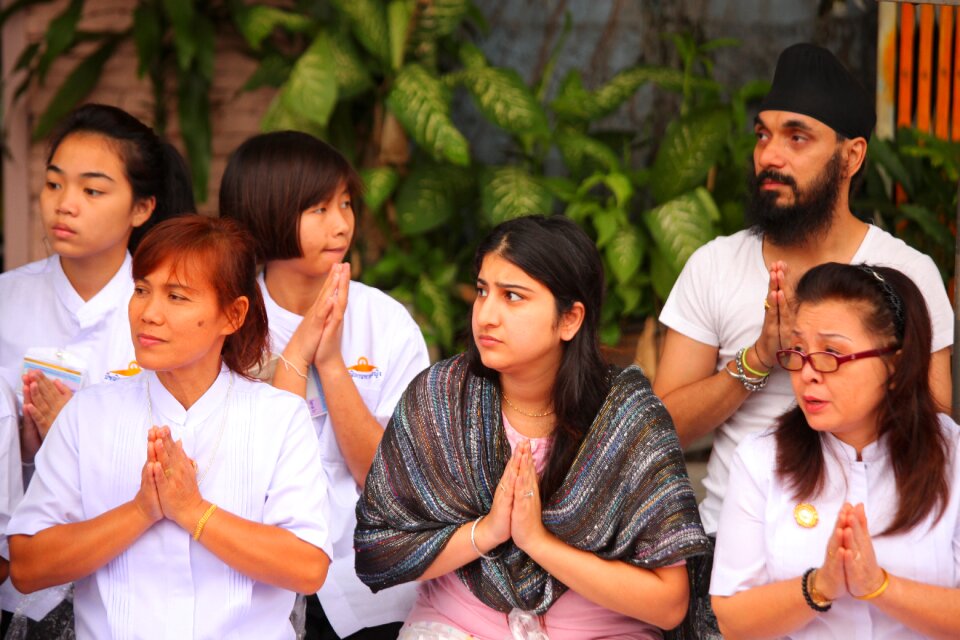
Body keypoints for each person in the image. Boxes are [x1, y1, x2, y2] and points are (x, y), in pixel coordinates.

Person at [355, 215, 711, 640]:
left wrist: (538, 541)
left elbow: (670, 605)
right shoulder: (440, 398)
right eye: (483, 290)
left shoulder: (627, 417)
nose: (486, 314)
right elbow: (381, 551)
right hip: (457, 626)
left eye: (513, 296)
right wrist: (486, 532)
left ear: (569, 320)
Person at [653, 43, 953, 541]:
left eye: (797, 138)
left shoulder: (908, 273)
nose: (769, 156)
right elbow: (661, 432)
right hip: (730, 546)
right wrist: (758, 357)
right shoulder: (714, 265)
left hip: (869, 542)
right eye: (763, 135)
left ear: (851, 155)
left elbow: (935, 434)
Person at [6, 215, 332, 638]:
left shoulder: (279, 418)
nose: (149, 313)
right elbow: (27, 566)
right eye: (141, 290)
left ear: (232, 315)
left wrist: (194, 512)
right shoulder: (87, 416)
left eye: (176, 296)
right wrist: (142, 510)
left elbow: (308, 567)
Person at [219, 131, 430, 640]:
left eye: (346, 203)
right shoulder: (225, 319)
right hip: (250, 581)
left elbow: (395, 483)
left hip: (369, 589)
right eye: (318, 208)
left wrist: (332, 365)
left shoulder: (385, 321)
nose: (341, 224)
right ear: (263, 211)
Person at [0, 102, 195, 628]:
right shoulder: (7, 301)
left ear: (142, 207)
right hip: (19, 577)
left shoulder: (172, 313)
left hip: (137, 583)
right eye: (54, 184)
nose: (65, 205)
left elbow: (195, 450)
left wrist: (75, 435)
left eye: (92, 190)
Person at [711, 262, 960, 638]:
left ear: (895, 363)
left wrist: (878, 586)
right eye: (797, 351)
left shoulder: (951, 455)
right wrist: (820, 586)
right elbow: (732, 620)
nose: (808, 372)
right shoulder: (762, 458)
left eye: (831, 353)